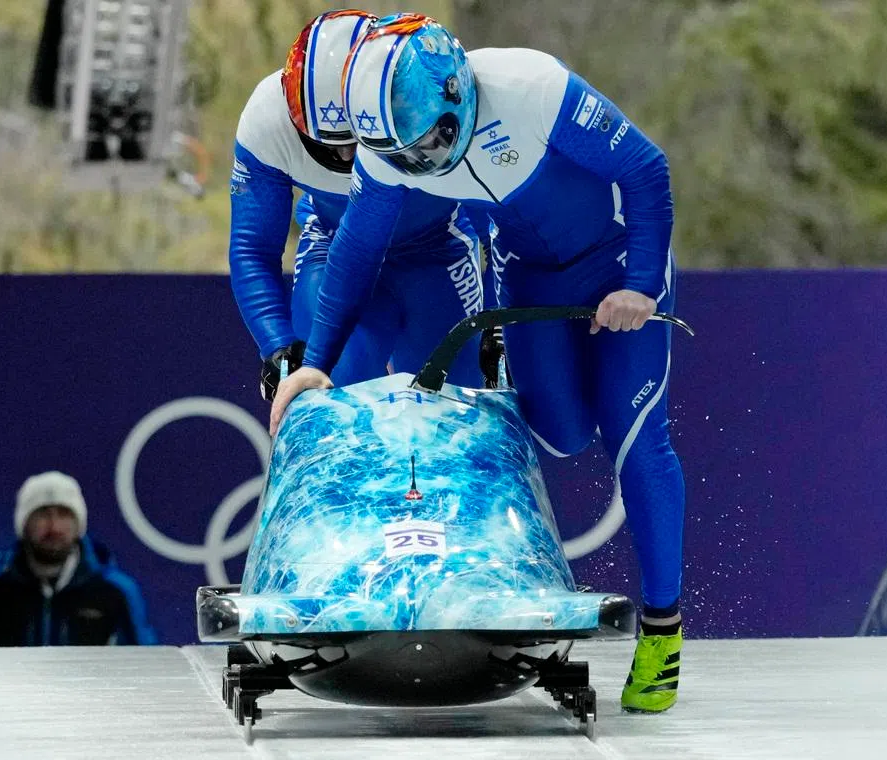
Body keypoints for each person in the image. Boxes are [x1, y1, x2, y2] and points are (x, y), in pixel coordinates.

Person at [272, 15, 686, 712]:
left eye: (431, 140)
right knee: (556, 430)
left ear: (458, 97)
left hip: (616, 266)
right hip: (532, 279)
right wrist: (317, 362)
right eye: (401, 154)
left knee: (634, 438)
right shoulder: (387, 151)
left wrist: (642, 283)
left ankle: (662, 631)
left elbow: (646, 170)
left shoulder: (532, 88)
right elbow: (353, 255)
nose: (422, 162)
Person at [229, 9, 484, 401]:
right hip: (333, 252)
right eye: (326, 145)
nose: (346, 157)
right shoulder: (266, 119)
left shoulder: (425, 99)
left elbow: (497, 202)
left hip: (436, 251)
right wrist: (278, 347)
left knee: (450, 408)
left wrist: (500, 325)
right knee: (330, 395)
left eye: (355, 137)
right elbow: (252, 248)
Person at [0, 471, 156, 647]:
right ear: (24, 524)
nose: (54, 526)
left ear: (79, 524)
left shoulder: (116, 591)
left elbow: (147, 667)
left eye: (64, 514)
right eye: (42, 514)